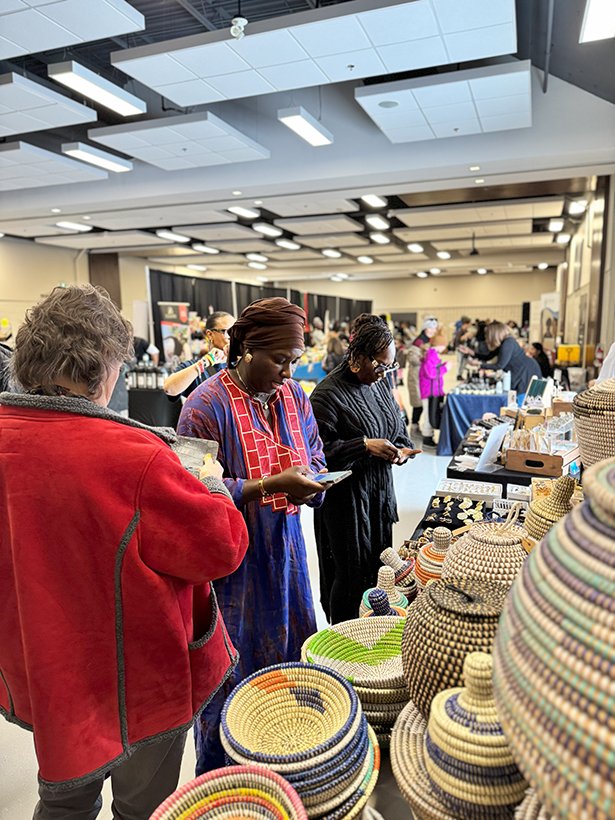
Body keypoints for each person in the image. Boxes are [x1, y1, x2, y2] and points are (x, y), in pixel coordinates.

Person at [0, 285, 249, 819]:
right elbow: (222, 546)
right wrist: (210, 483)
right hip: (136, 677)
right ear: (106, 366)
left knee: (63, 800)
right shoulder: (133, 455)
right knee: (142, 807)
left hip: (42, 667)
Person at [177, 297, 329, 773]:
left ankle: (288, 769)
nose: (287, 372)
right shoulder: (204, 407)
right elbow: (190, 490)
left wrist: (314, 485)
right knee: (231, 676)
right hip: (231, 574)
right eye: (280, 360)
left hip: (288, 560)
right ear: (246, 350)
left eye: (294, 361)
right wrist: (266, 486)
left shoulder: (295, 399)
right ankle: (227, 781)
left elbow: (319, 459)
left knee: (292, 668)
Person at [310, 314, 420, 624]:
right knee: (349, 576)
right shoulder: (327, 395)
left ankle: (372, 631)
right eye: (380, 365)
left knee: (379, 571)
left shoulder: (379, 385)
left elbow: (395, 425)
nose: (385, 374)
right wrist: (364, 445)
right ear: (358, 358)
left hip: (378, 497)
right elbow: (317, 457)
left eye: (390, 366)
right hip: (345, 504)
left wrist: (401, 449)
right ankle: (344, 638)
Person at [164, 311, 235, 400]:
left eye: (236, 331)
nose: (233, 336)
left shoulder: (240, 364)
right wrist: (206, 362)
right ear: (210, 334)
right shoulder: (194, 366)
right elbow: (169, 388)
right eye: (227, 332)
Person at [479, 321, 541, 396]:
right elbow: (488, 356)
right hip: (523, 370)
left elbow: (500, 365)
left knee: (523, 399)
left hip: (526, 372)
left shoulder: (508, 343)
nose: (486, 337)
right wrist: (472, 353)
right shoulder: (505, 343)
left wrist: (480, 365)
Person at [419, 327, 450, 449]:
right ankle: (427, 437)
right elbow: (431, 373)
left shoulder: (433, 354)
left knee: (431, 413)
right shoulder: (431, 354)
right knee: (428, 414)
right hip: (428, 392)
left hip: (433, 391)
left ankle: (429, 435)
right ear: (440, 345)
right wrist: (445, 368)